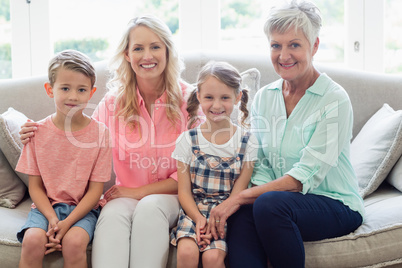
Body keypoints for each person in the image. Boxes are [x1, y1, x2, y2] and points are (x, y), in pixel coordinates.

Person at [20, 15, 192, 268]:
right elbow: (81, 131)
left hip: (172, 196)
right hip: (122, 196)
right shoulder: (114, 102)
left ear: (167, 51)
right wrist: (29, 130)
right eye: (138, 48)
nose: (147, 55)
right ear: (126, 54)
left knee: (149, 208)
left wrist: (138, 192)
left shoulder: (190, 99)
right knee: (111, 217)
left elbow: (197, 165)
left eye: (155, 46)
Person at [206, 1, 365, 267]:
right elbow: (263, 165)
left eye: (294, 44)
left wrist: (237, 197)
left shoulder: (334, 99)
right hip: (278, 203)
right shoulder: (265, 98)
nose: (284, 55)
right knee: (245, 213)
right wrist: (237, 202)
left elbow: (304, 176)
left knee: (266, 205)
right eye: (275, 45)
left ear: (314, 46)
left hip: (334, 204)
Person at [15, 50, 112, 268]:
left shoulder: (100, 134)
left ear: (91, 93)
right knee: (32, 241)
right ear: (50, 89)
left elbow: (96, 191)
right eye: (65, 88)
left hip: (84, 209)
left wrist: (67, 223)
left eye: (81, 90)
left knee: (74, 243)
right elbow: (35, 187)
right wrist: (51, 218)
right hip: (45, 208)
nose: (73, 96)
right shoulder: (36, 132)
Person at [170, 61, 258, 268]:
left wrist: (217, 220)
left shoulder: (248, 142)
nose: (216, 106)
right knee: (186, 253)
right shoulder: (187, 140)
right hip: (193, 211)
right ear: (198, 96)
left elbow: (239, 192)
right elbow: (183, 192)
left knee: (212, 258)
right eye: (209, 97)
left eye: (225, 98)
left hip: (226, 212)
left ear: (237, 98)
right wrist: (199, 219)